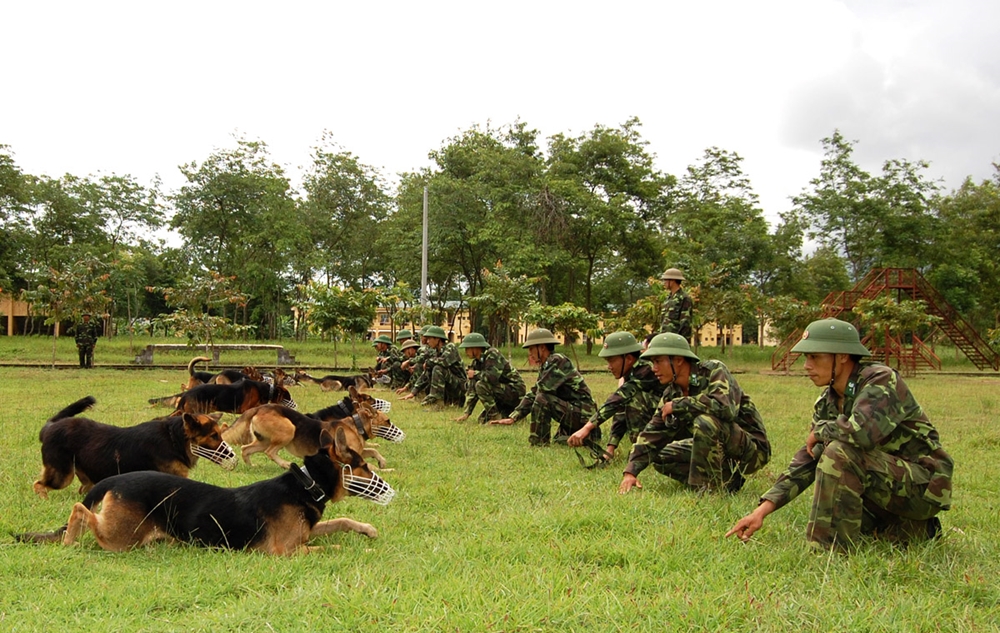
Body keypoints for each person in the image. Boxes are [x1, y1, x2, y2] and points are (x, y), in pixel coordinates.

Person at [726, 318, 953, 551]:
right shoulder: (828, 401)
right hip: (886, 483)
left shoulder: (881, 380)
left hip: (923, 485)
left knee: (839, 452)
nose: (807, 365)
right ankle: (912, 529)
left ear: (843, 356)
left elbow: (862, 433)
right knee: (849, 501)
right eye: (806, 357)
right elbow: (809, 459)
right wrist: (761, 511)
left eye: (815, 357)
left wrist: (821, 430)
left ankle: (828, 551)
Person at [619, 333, 770, 494]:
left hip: (752, 451)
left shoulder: (714, 371)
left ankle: (707, 491)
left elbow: (725, 408)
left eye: (658, 361)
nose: (653, 368)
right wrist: (630, 472)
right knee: (659, 455)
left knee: (705, 422)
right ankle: (728, 481)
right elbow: (653, 432)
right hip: (718, 447)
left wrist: (679, 405)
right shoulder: (672, 393)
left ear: (678, 360)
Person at [493, 328, 598, 447]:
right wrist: (514, 416)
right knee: (560, 440)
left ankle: (538, 443)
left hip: (583, 416)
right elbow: (535, 390)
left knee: (542, 398)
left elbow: (539, 392)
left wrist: (515, 416)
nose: (530, 353)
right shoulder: (547, 364)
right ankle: (585, 437)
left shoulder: (557, 361)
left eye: (531, 349)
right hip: (578, 414)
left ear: (542, 347)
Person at [568, 331, 662, 462]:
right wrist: (610, 448)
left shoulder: (645, 370)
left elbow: (616, 401)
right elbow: (620, 406)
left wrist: (587, 428)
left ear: (628, 359)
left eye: (612, 360)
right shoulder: (633, 371)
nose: (609, 367)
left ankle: (646, 450)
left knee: (635, 400)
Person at [452, 333, 527, 424]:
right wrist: (466, 413)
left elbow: (492, 377)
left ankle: (495, 416)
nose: (466, 352)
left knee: (480, 385)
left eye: (467, 348)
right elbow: (472, 390)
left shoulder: (492, 354)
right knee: (482, 420)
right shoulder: (476, 363)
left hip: (515, 391)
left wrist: (475, 374)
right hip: (501, 393)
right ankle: (510, 415)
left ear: (476, 348)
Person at [400, 325, 466, 406]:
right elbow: (425, 374)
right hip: (450, 387)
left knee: (437, 368)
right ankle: (442, 400)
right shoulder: (435, 352)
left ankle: (438, 402)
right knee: (432, 368)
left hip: (460, 386)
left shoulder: (450, 347)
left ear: (437, 339)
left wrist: (428, 362)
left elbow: (444, 362)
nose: (427, 341)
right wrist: (413, 392)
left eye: (429, 339)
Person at [659, 267, 694, 340]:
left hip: (676, 341)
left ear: (672, 281)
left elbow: (685, 323)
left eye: (665, 280)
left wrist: (681, 341)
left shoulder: (684, 298)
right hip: (664, 339)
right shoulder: (668, 299)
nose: (664, 282)